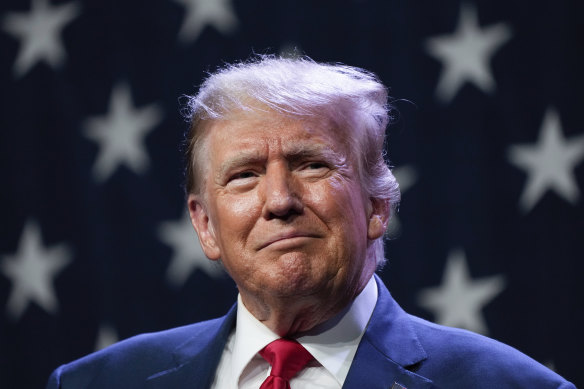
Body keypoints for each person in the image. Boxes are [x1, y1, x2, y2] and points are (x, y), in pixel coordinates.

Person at [47, 56, 575, 389]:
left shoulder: (510, 385)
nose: (278, 200)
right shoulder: (97, 382)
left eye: (312, 165)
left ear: (376, 205)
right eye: (245, 175)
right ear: (204, 225)